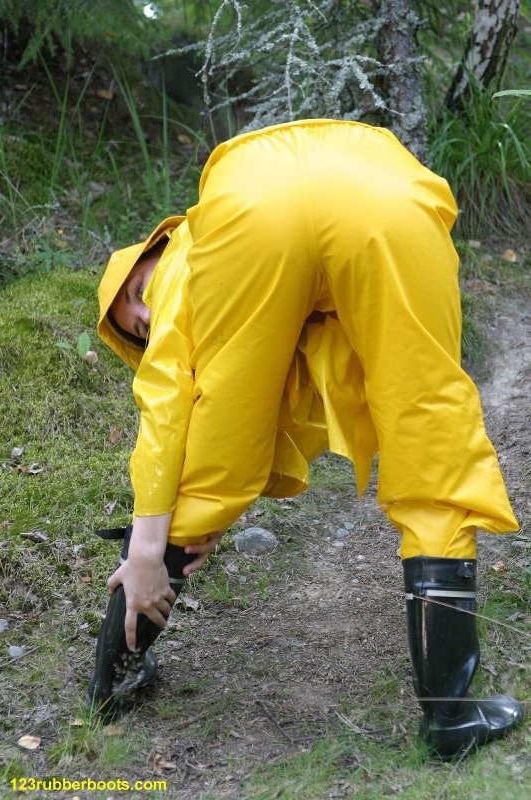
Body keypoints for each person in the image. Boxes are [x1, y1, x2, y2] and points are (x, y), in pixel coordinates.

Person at [89, 118, 523, 758]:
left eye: (138, 293)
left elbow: (167, 411)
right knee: (431, 426)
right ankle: (452, 717)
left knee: (207, 463)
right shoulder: (194, 252)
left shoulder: (189, 255)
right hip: (385, 192)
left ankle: (111, 680)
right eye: (140, 327)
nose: (151, 313)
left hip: (254, 208)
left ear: (153, 250)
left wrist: (151, 544)